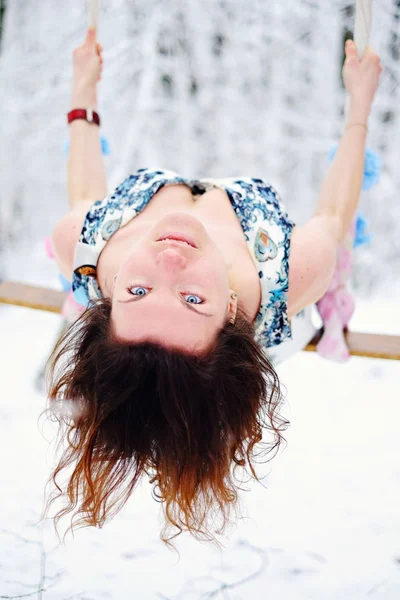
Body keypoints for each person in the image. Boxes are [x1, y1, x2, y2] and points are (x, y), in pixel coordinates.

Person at [43, 29, 383, 549]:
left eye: (139, 292)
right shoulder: (282, 276)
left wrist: (83, 90)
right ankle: (329, 310)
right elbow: (335, 212)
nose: (170, 260)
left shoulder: (94, 253)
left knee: (72, 233)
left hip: (126, 244)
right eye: (191, 300)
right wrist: (359, 103)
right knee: (331, 264)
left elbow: (86, 192)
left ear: (110, 300)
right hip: (256, 261)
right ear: (228, 311)